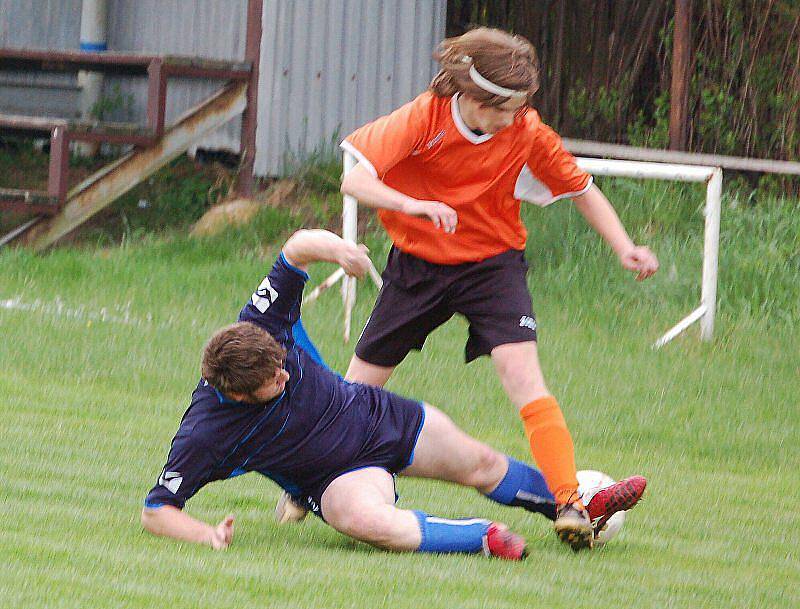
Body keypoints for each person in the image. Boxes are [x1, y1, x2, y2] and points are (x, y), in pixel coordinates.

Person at [335, 27, 659, 550]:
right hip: (417, 266)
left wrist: (624, 247)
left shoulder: (528, 131)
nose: (515, 119)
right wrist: (412, 205)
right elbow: (355, 179)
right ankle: (311, 484)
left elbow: (582, 189)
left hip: (492, 267)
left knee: (525, 378)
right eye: (505, 109)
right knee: (357, 391)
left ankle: (571, 503)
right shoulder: (425, 117)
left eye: (520, 108)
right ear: (472, 97)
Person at [141, 229, 646, 557]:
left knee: (482, 465)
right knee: (365, 522)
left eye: (281, 364)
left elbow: (295, 249)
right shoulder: (206, 430)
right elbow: (157, 509)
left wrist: (337, 250)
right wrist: (205, 534)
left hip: (378, 416)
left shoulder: (260, 323)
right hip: (336, 476)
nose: (285, 376)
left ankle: (580, 505)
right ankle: (482, 538)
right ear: (239, 396)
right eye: (273, 384)